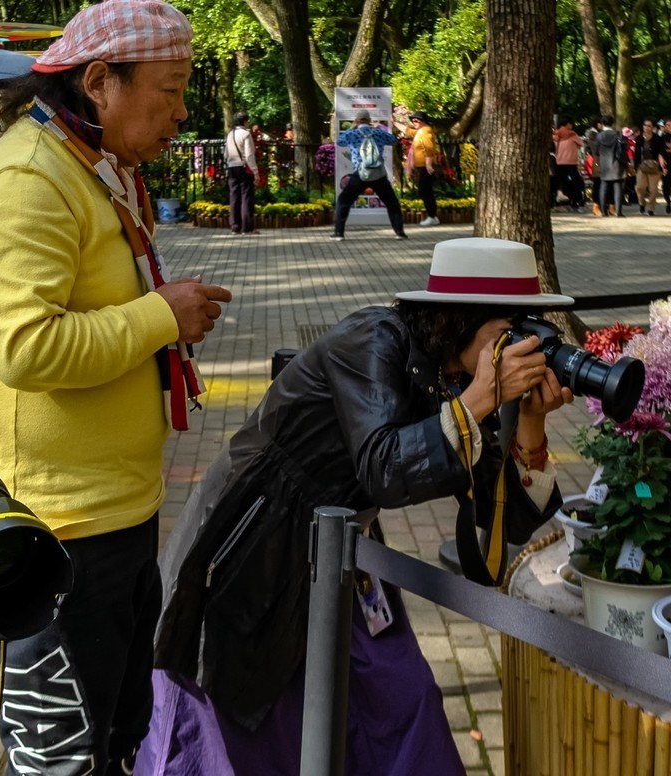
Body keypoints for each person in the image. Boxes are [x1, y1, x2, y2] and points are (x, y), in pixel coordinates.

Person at [141, 238, 571, 776]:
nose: (519, 345)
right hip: (259, 549)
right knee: (254, 724)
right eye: (508, 329)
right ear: (461, 319)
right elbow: (386, 470)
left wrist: (530, 418)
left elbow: (504, 513)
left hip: (345, 552)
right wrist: (482, 398)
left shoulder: (458, 374)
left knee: (403, 699)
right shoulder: (373, 340)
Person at [0, 2, 233, 772]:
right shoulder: (27, 179)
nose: (182, 111)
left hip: (113, 512)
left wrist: (159, 318)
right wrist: (158, 317)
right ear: (101, 82)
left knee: (116, 733)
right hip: (57, 528)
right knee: (69, 755)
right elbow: (26, 347)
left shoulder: (89, 165)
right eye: (170, 90)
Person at [333, 110, 407, 240]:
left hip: (360, 174)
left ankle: (339, 233)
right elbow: (393, 140)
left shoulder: (352, 133)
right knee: (392, 203)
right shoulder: (378, 133)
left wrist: (351, 127)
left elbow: (339, 141)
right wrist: (377, 128)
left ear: (357, 120)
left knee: (343, 201)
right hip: (378, 174)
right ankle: (399, 232)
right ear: (369, 120)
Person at [225, 110, 258, 235]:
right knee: (246, 197)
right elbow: (249, 155)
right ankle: (247, 227)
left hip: (231, 167)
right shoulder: (245, 134)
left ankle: (235, 226)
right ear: (244, 121)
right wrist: (255, 171)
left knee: (234, 196)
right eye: (247, 120)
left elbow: (226, 153)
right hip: (244, 167)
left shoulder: (230, 134)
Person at [405, 110, 439, 225]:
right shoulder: (420, 132)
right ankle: (433, 216)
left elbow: (429, 148)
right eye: (413, 120)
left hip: (426, 167)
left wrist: (429, 164)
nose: (414, 122)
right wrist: (393, 123)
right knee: (425, 191)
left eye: (416, 120)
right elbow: (408, 132)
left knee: (425, 191)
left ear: (423, 121)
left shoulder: (425, 131)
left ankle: (432, 216)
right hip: (422, 166)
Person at [594, 115, 627, 217]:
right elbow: (623, 148)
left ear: (602, 123)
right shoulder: (617, 134)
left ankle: (603, 211)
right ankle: (618, 211)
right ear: (612, 123)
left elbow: (596, 152)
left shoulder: (599, 136)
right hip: (616, 163)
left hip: (604, 164)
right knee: (618, 188)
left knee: (603, 187)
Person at [634, 117, 665, 215]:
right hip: (641, 166)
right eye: (645, 125)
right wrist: (635, 166)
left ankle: (651, 207)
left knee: (653, 189)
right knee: (640, 187)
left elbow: (661, 153)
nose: (646, 128)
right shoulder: (639, 138)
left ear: (653, 128)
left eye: (649, 126)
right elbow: (636, 153)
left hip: (654, 166)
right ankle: (641, 202)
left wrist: (661, 166)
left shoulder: (658, 139)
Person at [553, 116, 585, 211]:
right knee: (576, 183)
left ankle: (563, 204)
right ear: (567, 124)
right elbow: (581, 143)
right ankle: (576, 203)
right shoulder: (572, 135)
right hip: (571, 162)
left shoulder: (556, 135)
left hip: (558, 162)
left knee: (563, 183)